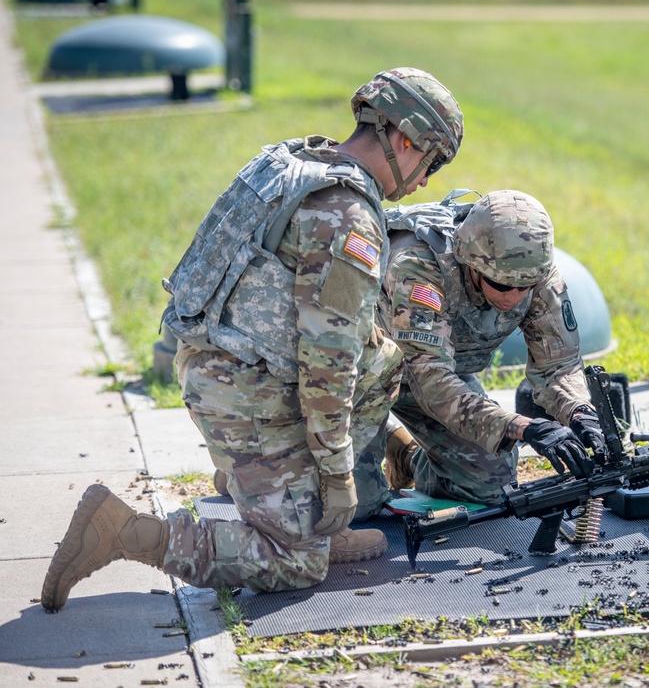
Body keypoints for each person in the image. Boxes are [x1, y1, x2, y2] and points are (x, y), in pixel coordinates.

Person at [40, 67, 464, 611]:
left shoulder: (296, 161)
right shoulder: (347, 217)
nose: (425, 181)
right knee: (294, 563)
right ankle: (122, 530)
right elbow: (327, 365)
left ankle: (300, 513)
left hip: (220, 363)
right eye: (429, 163)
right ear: (406, 140)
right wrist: (337, 477)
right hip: (243, 392)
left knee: (381, 358)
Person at [352, 189, 607, 514]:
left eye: (524, 288)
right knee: (356, 510)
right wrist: (522, 427)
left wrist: (581, 413)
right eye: (501, 285)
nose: (514, 297)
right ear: (471, 263)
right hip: (360, 376)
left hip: (438, 371)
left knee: (491, 482)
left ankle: (404, 454)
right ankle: (375, 435)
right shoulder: (419, 269)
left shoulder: (535, 272)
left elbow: (558, 366)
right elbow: (432, 382)